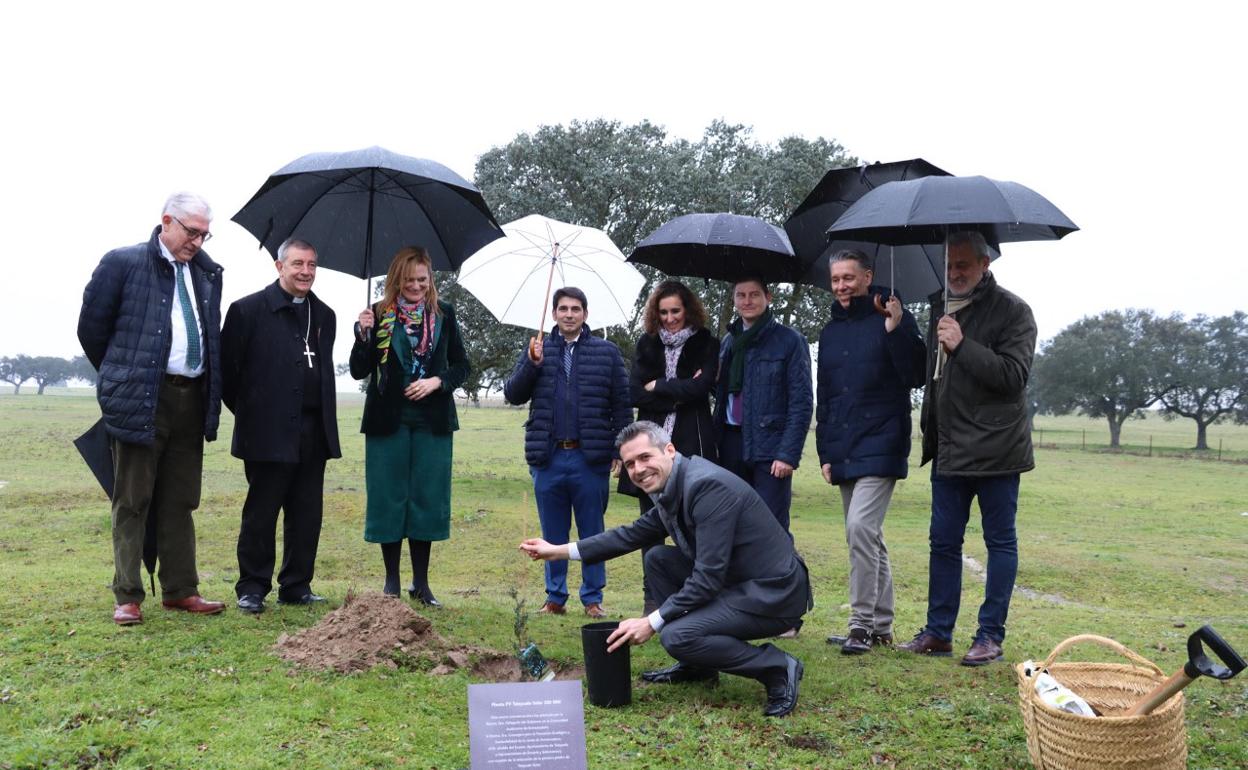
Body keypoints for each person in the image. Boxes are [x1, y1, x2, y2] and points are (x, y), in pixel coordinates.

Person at [520, 421, 812, 717]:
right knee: (658, 559)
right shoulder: (676, 484)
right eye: (630, 463)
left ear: (669, 450)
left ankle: (776, 667)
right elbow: (629, 535)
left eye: (645, 457)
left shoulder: (706, 487)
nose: (638, 469)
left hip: (774, 594)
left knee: (676, 635)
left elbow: (707, 580)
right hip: (739, 581)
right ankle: (698, 665)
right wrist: (557, 551)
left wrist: (652, 621)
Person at [77, 191, 227, 625]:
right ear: (167, 221)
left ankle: (181, 590)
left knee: (181, 499)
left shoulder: (208, 273)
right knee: (132, 498)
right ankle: (127, 596)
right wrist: (125, 375)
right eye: (191, 232)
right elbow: (92, 330)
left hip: (191, 399)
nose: (197, 241)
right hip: (142, 398)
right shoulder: (122, 263)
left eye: (204, 234)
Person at [898, 230, 1037, 666]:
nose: (954, 272)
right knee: (942, 542)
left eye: (963, 264)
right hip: (949, 449)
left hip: (998, 451)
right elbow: (928, 376)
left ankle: (990, 636)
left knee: (1000, 542)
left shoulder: (1014, 311)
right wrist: (897, 329)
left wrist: (962, 345)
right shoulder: (938, 306)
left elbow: (1013, 376)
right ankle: (938, 633)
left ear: (984, 264)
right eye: (949, 264)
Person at [221, 238, 341, 614]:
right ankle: (252, 587)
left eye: (312, 264)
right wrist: (256, 413)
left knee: (306, 514)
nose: (306, 271)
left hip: (313, 431)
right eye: (298, 264)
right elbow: (228, 376)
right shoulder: (247, 310)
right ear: (279, 266)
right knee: (261, 512)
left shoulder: (324, 315)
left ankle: (296, 585)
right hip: (266, 431)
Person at [815, 250, 926, 654]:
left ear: (867, 277)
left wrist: (895, 329)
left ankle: (860, 624)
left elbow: (915, 375)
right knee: (866, 535)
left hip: (883, 441)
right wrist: (825, 452)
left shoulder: (894, 316)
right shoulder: (829, 332)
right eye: (836, 279)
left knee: (860, 528)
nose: (842, 286)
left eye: (849, 277)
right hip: (844, 446)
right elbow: (826, 396)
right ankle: (882, 626)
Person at [350, 247, 470, 606]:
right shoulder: (378, 313)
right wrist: (363, 335)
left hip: (433, 421)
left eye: (422, 279)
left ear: (430, 278)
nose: (416, 286)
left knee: (426, 498)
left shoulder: (444, 314)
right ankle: (391, 582)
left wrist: (437, 382)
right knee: (389, 497)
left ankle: (421, 583)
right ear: (396, 280)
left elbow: (462, 366)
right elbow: (358, 370)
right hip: (388, 419)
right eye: (409, 280)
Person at [504, 287, 631, 618]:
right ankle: (555, 597)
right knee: (553, 532)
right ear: (554, 314)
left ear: (585, 314)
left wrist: (621, 448)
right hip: (549, 457)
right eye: (563, 309)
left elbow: (621, 405)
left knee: (593, 532)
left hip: (591, 458)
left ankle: (592, 599)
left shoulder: (607, 353)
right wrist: (531, 364)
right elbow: (513, 394)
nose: (569, 314)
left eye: (576, 309)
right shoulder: (537, 349)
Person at [620, 280, 719, 615]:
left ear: (687, 310)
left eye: (675, 311)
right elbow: (635, 393)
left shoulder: (706, 343)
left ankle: (694, 595)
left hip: (692, 443)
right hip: (649, 445)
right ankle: (652, 598)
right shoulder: (646, 344)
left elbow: (702, 389)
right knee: (650, 522)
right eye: (663, 312)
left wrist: (659, 385)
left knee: (693, 522)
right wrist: (679, 391)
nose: (670, 318)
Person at [713, 276, 813, 531]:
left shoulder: (790, 341)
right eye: (741, 295)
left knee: (770, 528)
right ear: (734, 299)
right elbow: (725, 394)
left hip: (770, 447)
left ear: (768, 297)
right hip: (730, 443)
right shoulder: (729, 342)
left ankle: (783, 561)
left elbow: (801, 403)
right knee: (732, 523)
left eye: (754, 294)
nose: (747, 301)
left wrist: (787, 454)